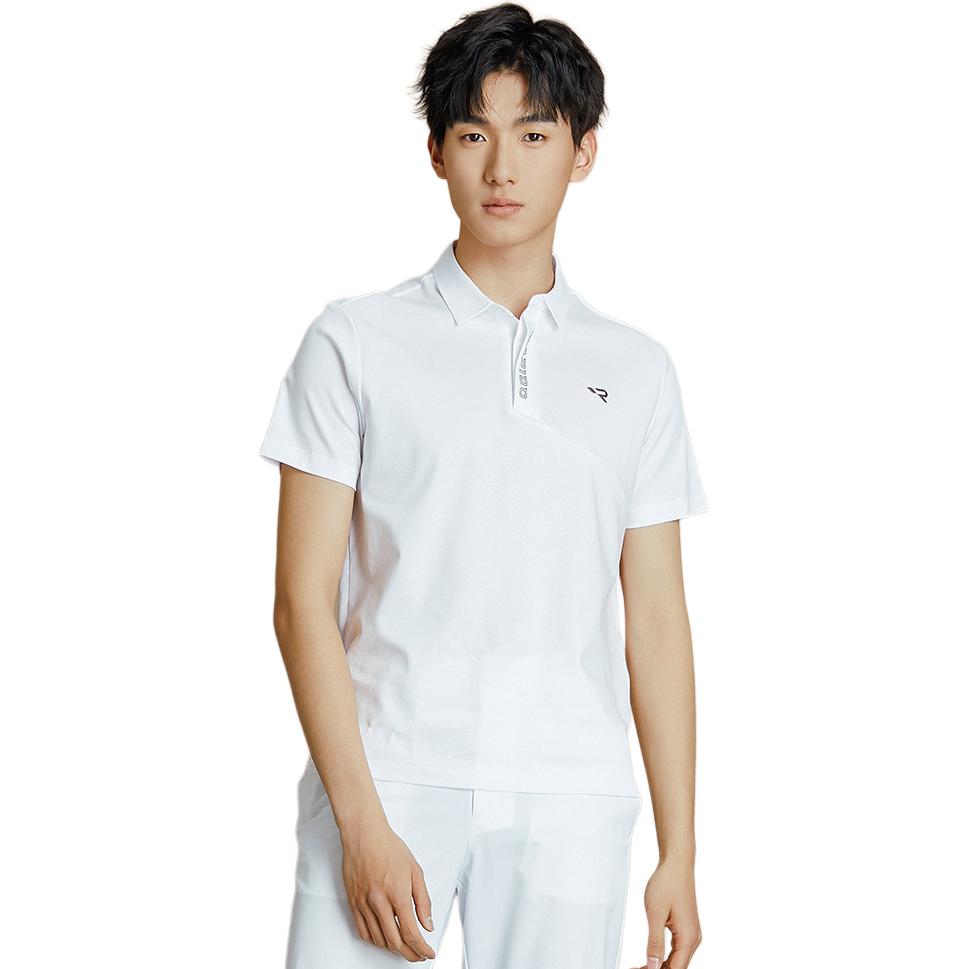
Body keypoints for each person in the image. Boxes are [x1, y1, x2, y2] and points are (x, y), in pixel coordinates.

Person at [258, 4, 708, 967]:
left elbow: (657, 622)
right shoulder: (353, 341)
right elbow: (300, 600)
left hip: (570, 790)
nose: (501, 168)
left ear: (583, 153)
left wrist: (679, 849)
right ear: (436, 152)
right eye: (473, 134)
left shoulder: (637, 368)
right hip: (388, 773)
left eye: (534, 135)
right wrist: (361, 822)